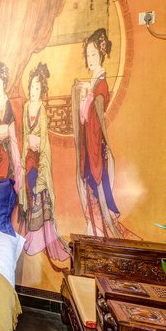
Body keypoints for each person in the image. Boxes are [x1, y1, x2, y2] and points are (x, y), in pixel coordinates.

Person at [72, 28, 130, 238]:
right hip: (90, 143)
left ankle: (101, 229)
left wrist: (85, 99)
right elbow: (84, 118)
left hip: (96, 143)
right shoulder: (92, 84)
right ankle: (95, 227)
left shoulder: (101, 84)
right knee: (91, 185)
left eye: (94, 54)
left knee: (98, 185)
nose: (90, 59)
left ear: (102, 54)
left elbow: (94, 118)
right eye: (88, 55)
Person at [18, 63, 70, 262]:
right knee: (30, 193)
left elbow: (44, 139)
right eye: (32, 87)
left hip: (40, 158)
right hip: (28, 157)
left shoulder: (42, 109)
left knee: (39, 192)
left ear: (42, 90)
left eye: (37, 88)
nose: (33, 91)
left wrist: (39, 152)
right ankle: (32, 235)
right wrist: (23, 157)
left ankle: (41, 238)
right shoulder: (26, 107)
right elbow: (25, 134)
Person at [0, 62, 22, 192]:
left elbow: (12, 134)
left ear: (4, 83)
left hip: (8, 146)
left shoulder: (9, 104)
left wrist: (16, 155)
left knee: (11, 165)